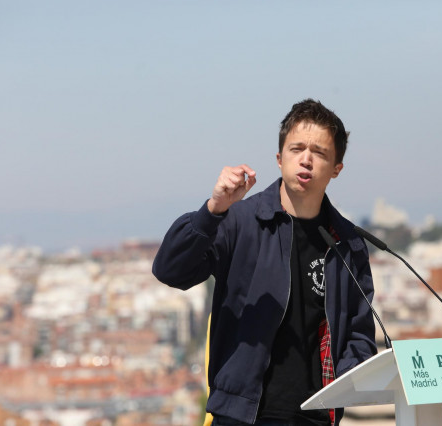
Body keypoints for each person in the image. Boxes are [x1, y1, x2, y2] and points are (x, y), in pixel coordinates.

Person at [153, 99, 377, 426]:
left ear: (336, 169)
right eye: (296, 149)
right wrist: (212, 210)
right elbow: (170, 270)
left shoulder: (348, 243)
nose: (306, 159)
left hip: (316, 419)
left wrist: (345, 383)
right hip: (244, 417)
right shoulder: (240, 221)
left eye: (319, 153)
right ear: (279, 158)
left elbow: (359, 334)